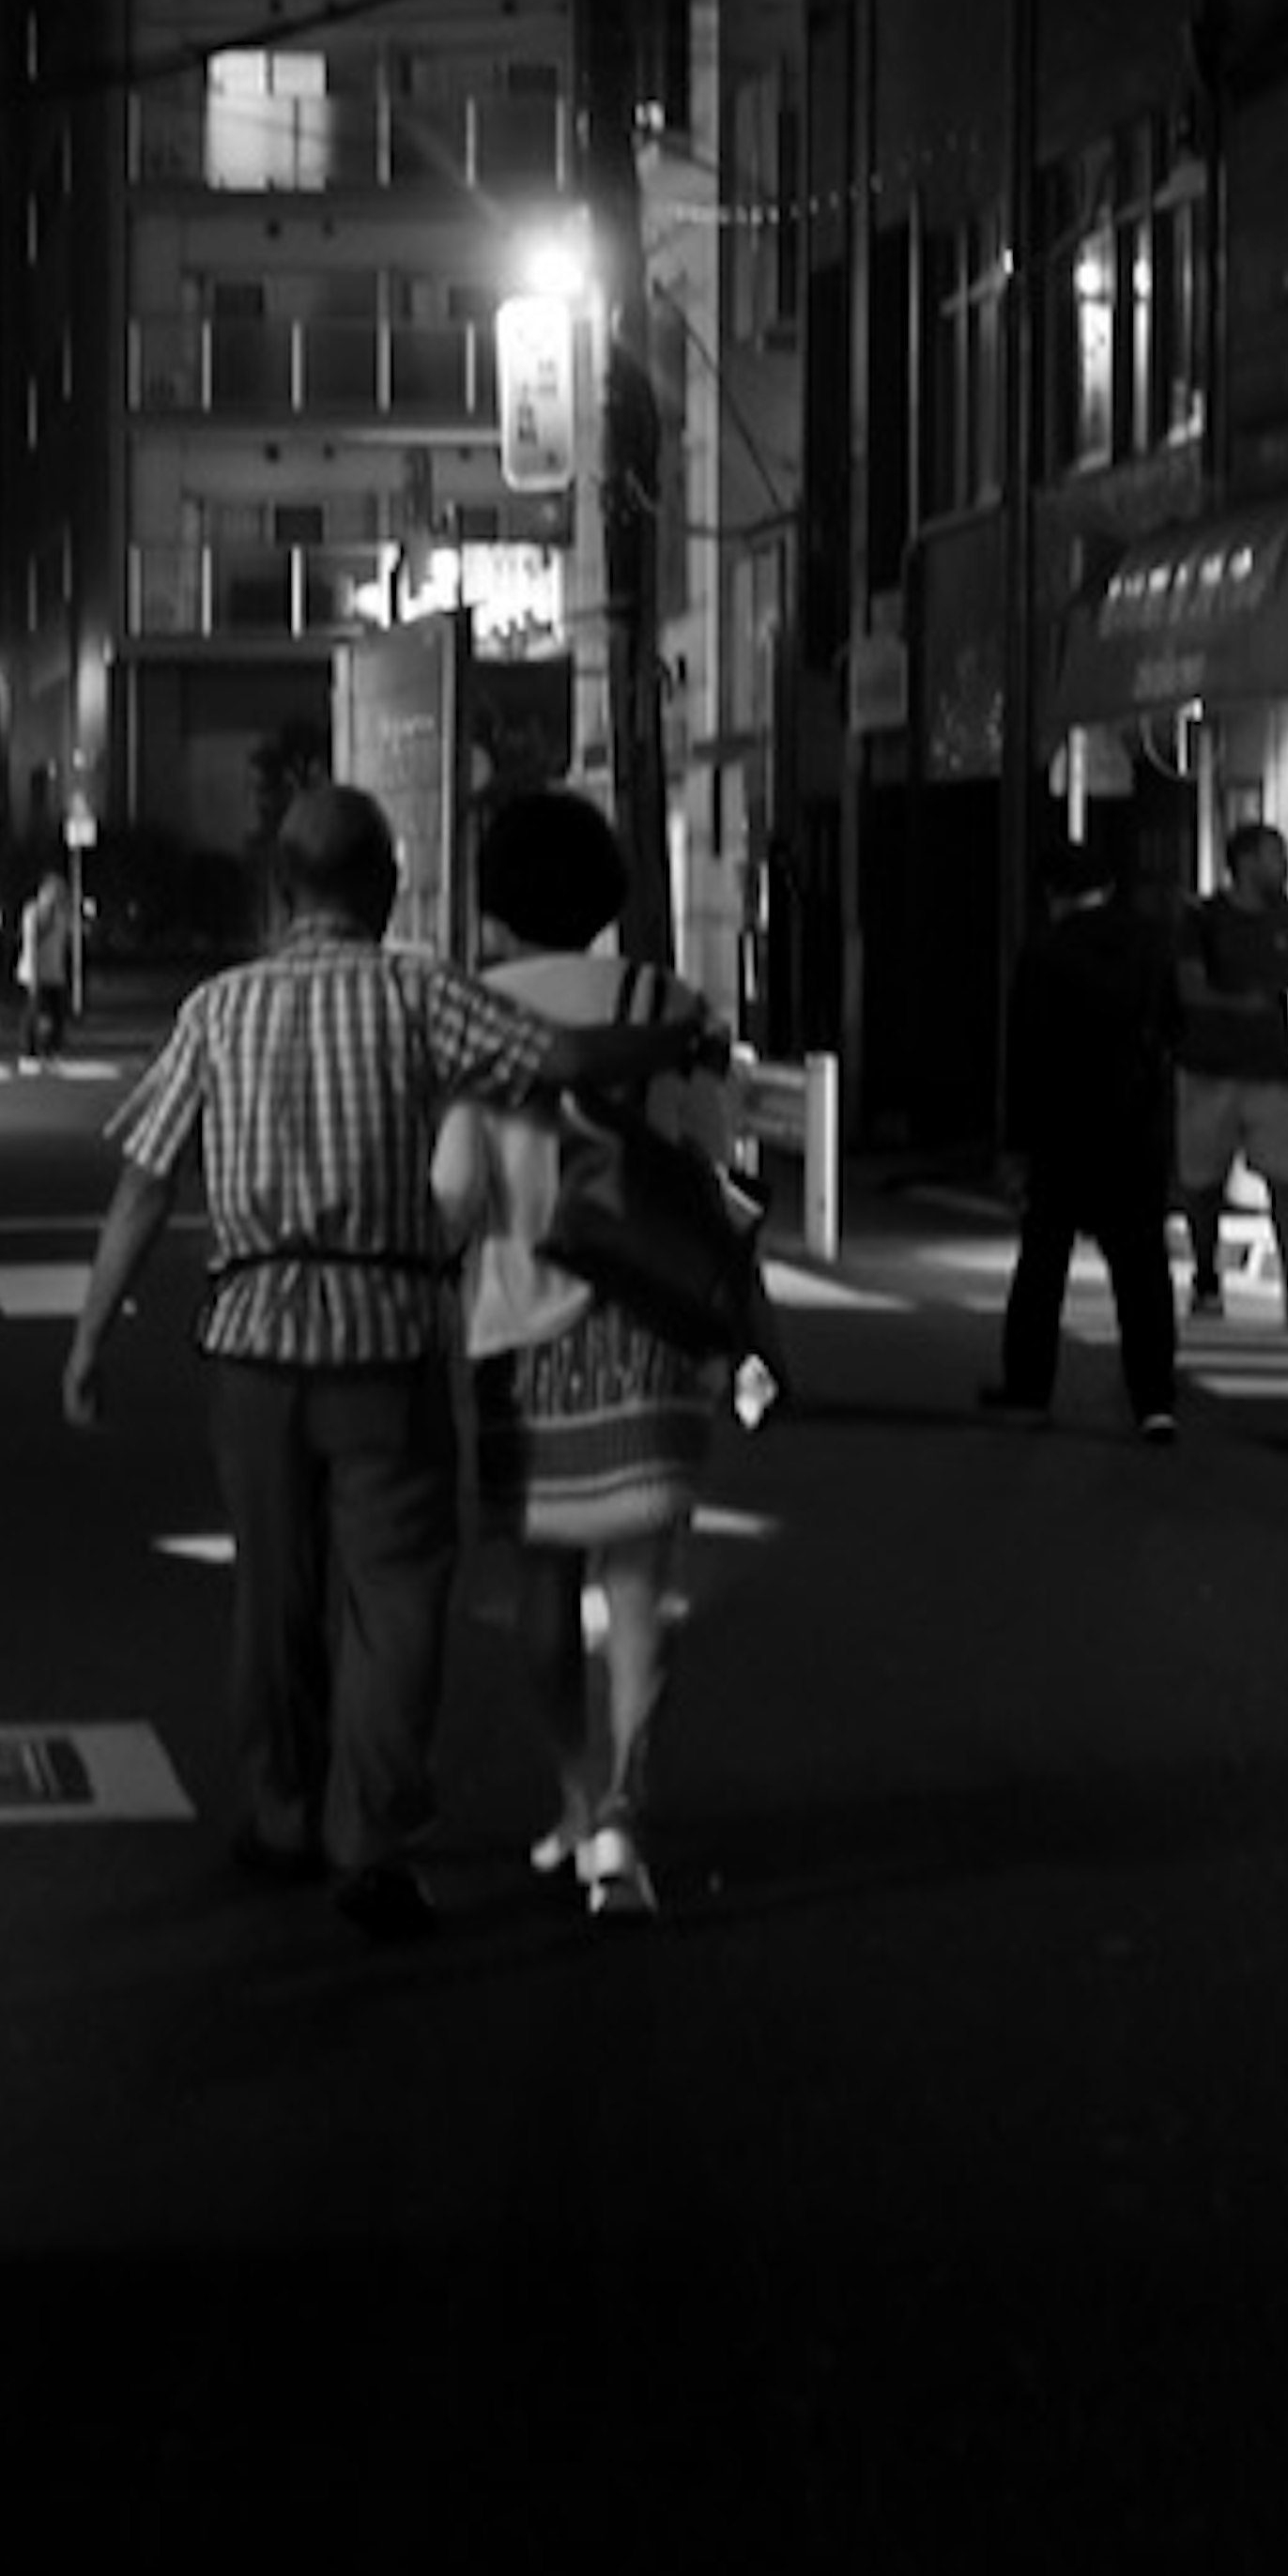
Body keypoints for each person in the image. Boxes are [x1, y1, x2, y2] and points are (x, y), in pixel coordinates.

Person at [57, 780, 715, 1943]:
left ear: (281, 888)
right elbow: (558, 1058)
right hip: (387, 1334)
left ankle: (279, 1813)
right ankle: (373, 1835)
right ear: (387, 887)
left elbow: (146, 1181)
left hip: (254, 1339)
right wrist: (669, 1033)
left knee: (274, 1590)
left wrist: (91, 1334)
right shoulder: (418, 991)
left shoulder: (218, 1008)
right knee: (399, 1595)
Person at [433, 789, 740, 1922]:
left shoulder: (472, 1012)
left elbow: (455, 1190)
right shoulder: (662, 999)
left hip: (522, 1330)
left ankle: (569, 1800)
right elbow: (715, 1153)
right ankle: (625, 1811)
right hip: (652, 1326)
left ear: (497, 899)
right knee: (643, 1585)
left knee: (544, 1583)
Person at [977, 818, 1181, 1438]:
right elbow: (1173, 1031)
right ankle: (1154, 1400)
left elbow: (1027, 1052)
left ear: (1052, 891)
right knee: (1142, 1270)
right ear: (1109, 885)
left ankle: (1029, 1389)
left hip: (1064, 1128)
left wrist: (1016, 1143)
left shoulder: (1045, 951)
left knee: (1043, 1265)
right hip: (1135, 1129)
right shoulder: (1150, 944)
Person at [1175, 816, 1288, 1326]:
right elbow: (1188, 984)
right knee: (1204, 1182)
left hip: (1271, 1069)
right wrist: (1239, 1005)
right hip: (1209, 1068)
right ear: (1244, 862)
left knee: (1284, 1177)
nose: (1284, 865)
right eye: (1273, 854)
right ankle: (1205, 1278)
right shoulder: (1205, 918)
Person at [15, 862, 75, 1065]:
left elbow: (65, 941)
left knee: (57, 1013)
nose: (57, 896)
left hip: (55, 971)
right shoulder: (34, 912)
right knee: (34, 1012)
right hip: (35, 971)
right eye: (54, 891)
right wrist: (33, 977)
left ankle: (53, 1049)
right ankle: (29, 1050)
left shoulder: (62, 914)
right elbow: (30, 944)